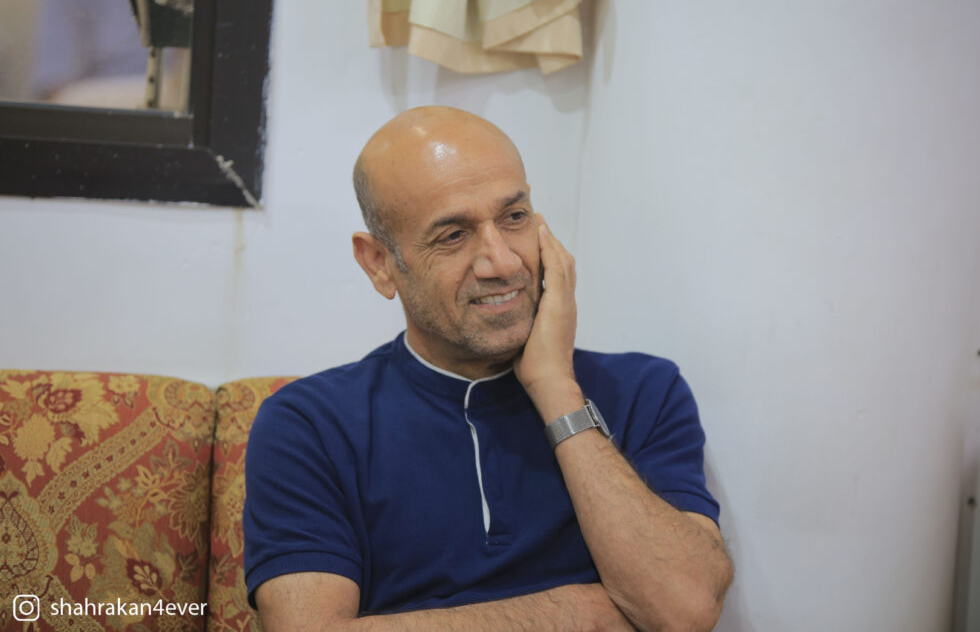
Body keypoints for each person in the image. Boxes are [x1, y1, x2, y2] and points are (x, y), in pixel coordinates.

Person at [243, 106, 734, 630]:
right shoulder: (309, 424)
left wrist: (556, 388)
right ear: (380, 263)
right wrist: (583, 613)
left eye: (514, 217)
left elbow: (684, 608)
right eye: (453, 235)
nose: (502, 262)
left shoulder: (644, 391)